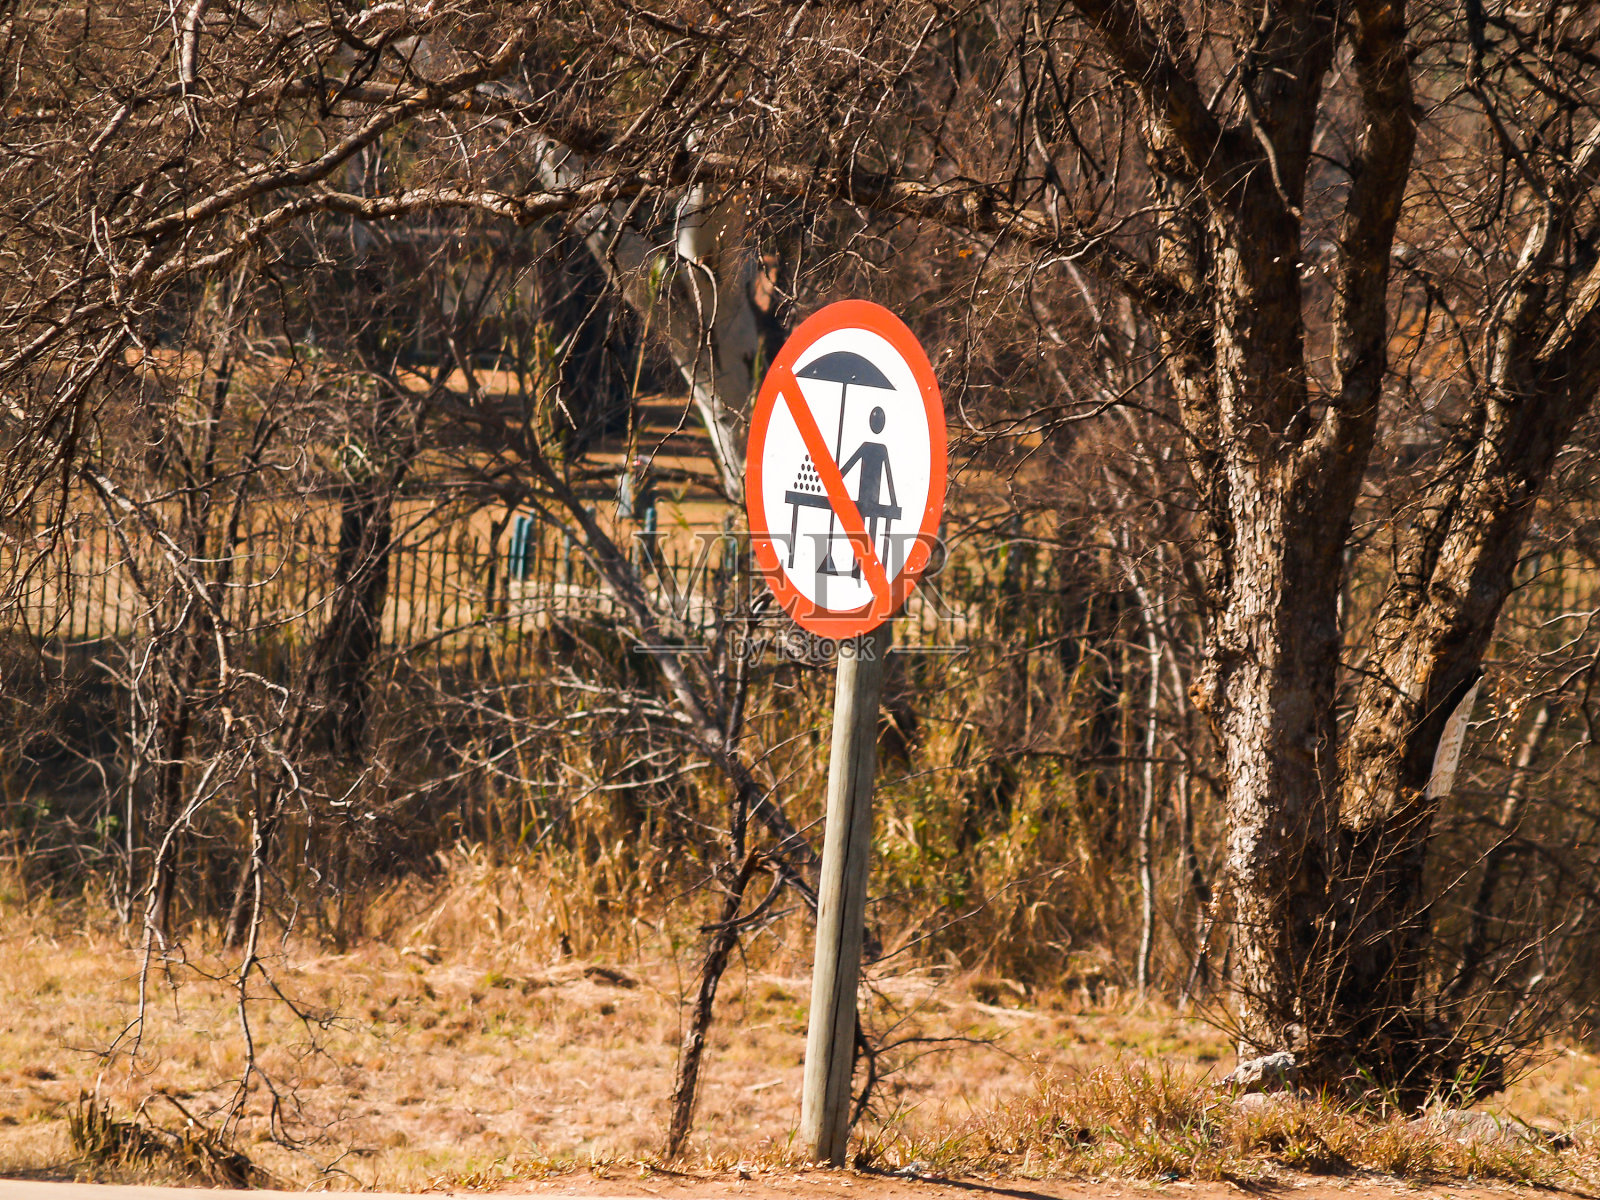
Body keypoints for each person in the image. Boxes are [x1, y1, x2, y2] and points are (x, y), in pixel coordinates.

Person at [839, 406, 902, 578]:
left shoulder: (880, 449)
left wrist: (894, 501)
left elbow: (888, 475)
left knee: (870, 535)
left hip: (872, 499)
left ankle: (868, 572)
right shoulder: (868, 447)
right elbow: (849, 465)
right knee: (858, 533)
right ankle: (856, 570)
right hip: (863, 498)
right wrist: (835, 480)